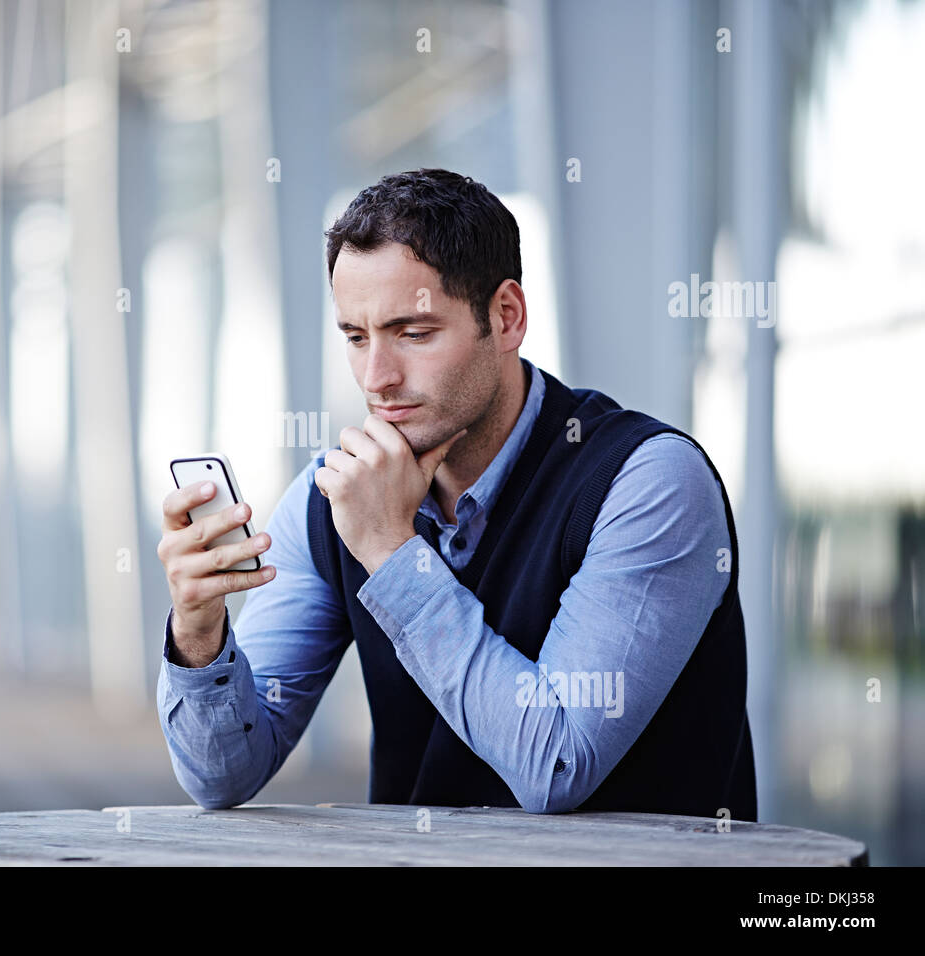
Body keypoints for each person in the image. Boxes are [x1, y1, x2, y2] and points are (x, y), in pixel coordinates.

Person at [155, 168, 757, 819]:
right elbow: (224, 776)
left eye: (413, 333)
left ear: (505, 317)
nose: (378, 378)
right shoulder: (331, 501)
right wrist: (198, 631)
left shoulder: (646, 483)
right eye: (357, 338)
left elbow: (556, 765)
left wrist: (391, 551)